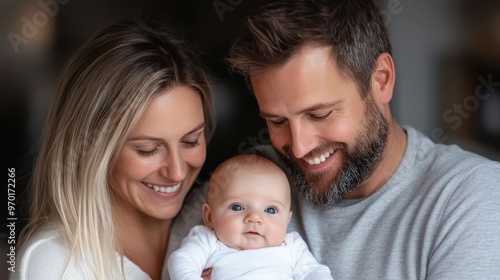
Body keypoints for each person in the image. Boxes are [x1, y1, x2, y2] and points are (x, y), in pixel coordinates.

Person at [171, 0, 500, 279]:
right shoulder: (238, 185)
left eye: (319, 114)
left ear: (381, 81)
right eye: (277, 121)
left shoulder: (470, 200)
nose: (299, 146)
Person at [12, 19, 215, 280]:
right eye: (148, 149)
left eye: (191, 141)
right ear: (91, 148)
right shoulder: (55, 264)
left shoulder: (234, 218)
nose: (176, 172)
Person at [168, 154, 333, 280]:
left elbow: (314, 271)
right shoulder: (208, 240)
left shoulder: (292, 246)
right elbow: (181, 260)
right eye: (237, 207)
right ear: (209, 217)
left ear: (287, 220)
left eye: (270, 210)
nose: (254, 218)